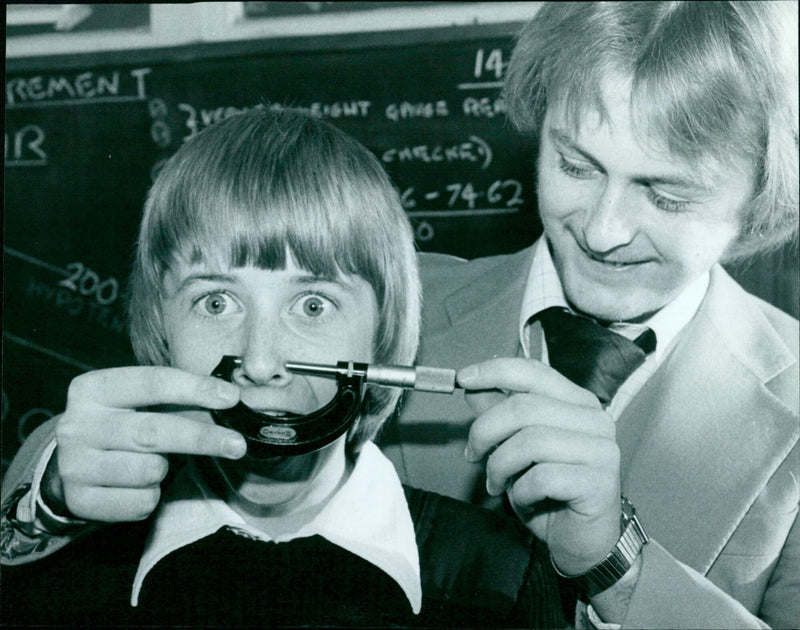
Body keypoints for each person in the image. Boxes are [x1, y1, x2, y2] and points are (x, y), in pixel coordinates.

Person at [0, 108, 564, 628]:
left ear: (383, 334)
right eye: (217, 303)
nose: (263, 363)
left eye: (312, 305)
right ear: (160, 325)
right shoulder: (72, 566)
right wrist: (43, 505)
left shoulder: (499, 577)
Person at [379, 2, 799, 629]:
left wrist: (616, 566)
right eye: (575, 165)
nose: (603, 233)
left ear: (762, 193)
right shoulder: (385, 308)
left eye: (665, 195)